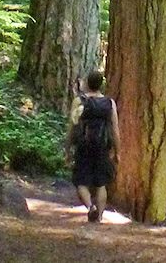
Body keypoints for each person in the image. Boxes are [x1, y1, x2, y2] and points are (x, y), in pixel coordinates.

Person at [65, 70, 120, 223]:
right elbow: (115, 129)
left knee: (81, 181)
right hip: (103, 145)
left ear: (88, 83)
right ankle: (100, 217)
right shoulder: (109, 103)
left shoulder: (79, 101)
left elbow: (72, 126)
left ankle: (90, 207)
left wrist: (68, 149)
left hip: (84, 145)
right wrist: (117, 151)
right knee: (101, 183)